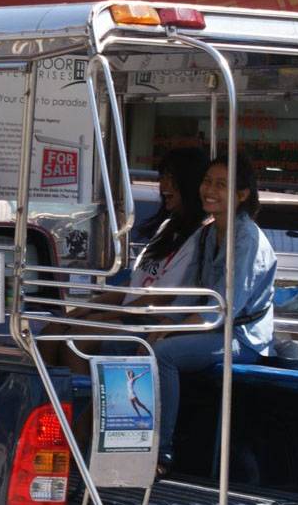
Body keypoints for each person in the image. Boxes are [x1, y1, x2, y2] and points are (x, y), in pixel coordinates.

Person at [152, 151, 276, 468]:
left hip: (242, 338)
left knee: (163, 354)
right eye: (208, 182)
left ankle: (160, 451)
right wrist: (164, 321)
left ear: (242, 194)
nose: (210, 190)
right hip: (213, 330)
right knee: (133, 345)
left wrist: (172, 330)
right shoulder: (208, 232)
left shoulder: (248, 239)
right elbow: (191, 293)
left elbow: (223, 308)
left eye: (221, 185)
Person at [44, 147, 209, 371]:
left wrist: (101, 316)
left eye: (172, 179)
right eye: (162, 178)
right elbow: (132, 285)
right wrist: (86, 309)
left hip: (153, 321)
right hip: (129, 315)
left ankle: (88, 404)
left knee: (77, 341)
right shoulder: (168, 227)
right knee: (52, 330)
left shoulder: (200, 238)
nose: (164, 186)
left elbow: (158, 300)